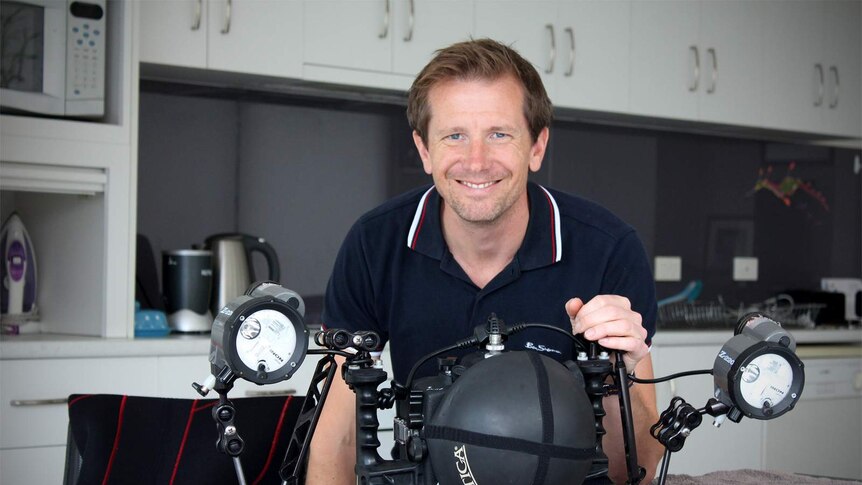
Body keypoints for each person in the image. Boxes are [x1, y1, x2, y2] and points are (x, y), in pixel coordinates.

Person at [307, 38, 664, 484]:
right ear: (424, 150)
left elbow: (637, 471)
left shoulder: (608, 249)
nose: (476, 162)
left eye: (499, 134)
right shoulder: (374, 243)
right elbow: (337, 437)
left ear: (536, 147)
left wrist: (617, 370)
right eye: (455, 135)